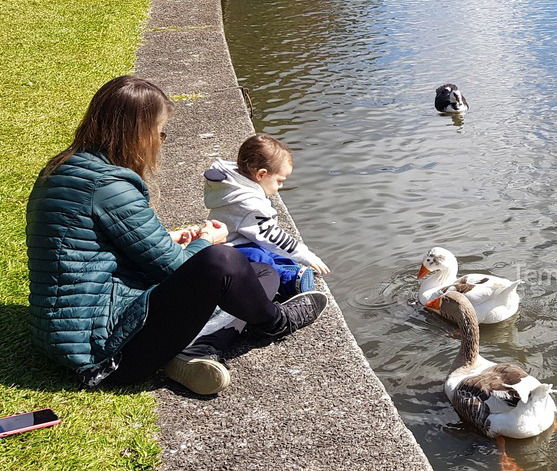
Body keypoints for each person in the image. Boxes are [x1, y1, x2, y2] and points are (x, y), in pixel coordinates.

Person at [26, 76, 328, 395]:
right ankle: (275, 322)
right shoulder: (109, 187)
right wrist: (205, 242)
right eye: (160, 132)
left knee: (260, 273)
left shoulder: (65, 169)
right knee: (225, 261)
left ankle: (197, 349)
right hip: (103, 352)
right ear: (138, 132)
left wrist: (168, 237)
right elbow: (172, 268)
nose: (161, 139)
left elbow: (94, 248)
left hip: (68, 332)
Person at [203, 134, 331, 300]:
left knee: (272, 253)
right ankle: (290, 281)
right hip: (229, 248)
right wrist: (305, 255)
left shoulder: (234, 183)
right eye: (279, 181)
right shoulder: (248, 204)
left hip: (241, 239)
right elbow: (273, 236)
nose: (280, 186)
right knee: (258, 257)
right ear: (261, 174)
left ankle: (293, 270)